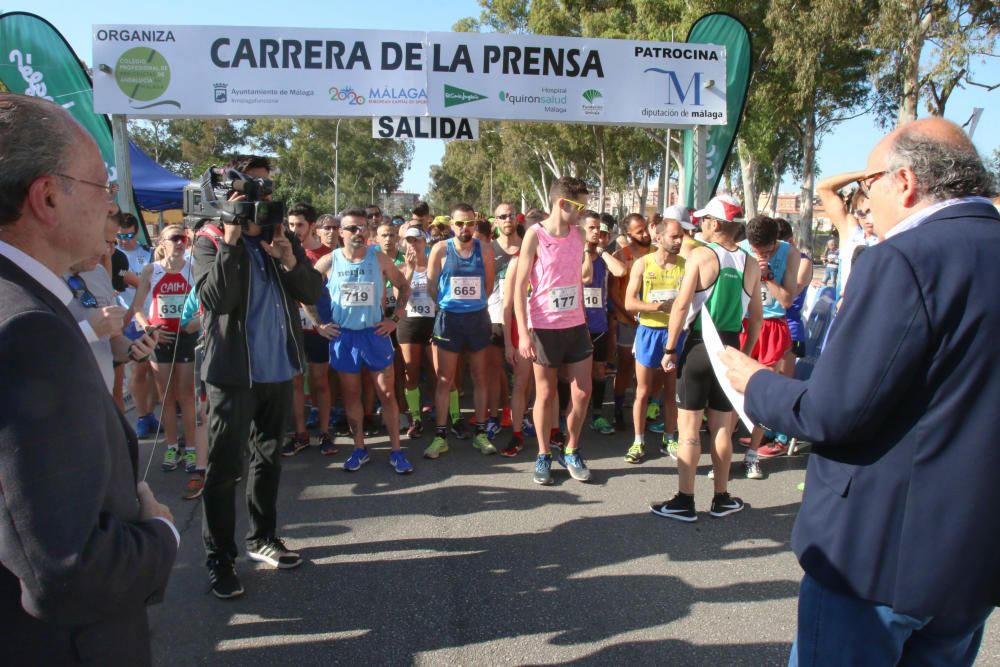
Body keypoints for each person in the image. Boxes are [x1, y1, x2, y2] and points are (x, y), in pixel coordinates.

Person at [720, 118, 1000, 667]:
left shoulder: (904, 257)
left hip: (880, 556)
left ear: (906, 181)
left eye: (867, 183)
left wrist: (757, 385)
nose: (864, 200)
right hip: (975, 558)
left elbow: (835, 414)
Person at [0, 93, 177, 666]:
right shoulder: (29, 331)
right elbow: (64, 568)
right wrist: (161, 536)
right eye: (103, 187)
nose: (113, 211)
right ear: (48, 196)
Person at [192, 155, 324, 599]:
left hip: (277, 369)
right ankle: (220, 557)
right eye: (250, 188)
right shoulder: (209, 239)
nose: (259, 196)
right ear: (230, 194)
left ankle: (262, 538)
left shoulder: (278, 238)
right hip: (231, 372)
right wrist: (231, 237)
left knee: (268, 460)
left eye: (264, 188)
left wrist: (289, 258)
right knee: (226, 468)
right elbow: (219, 300)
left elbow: (311, 293)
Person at [650, 195, 762, 522]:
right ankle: (721, 498)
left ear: (715, 223)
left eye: (704, 220)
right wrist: (746, 355)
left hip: (699, 346)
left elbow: (682, 306)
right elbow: (755, 319)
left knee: (688, 430)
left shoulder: (700, 255)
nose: (700, 225)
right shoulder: (750, 262)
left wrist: (670, 349)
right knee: (721, 428)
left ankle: (685, 502)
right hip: (730, 349)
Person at [313, 209, 413, 474]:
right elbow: (305, 291)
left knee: (388, 394)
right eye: (352, 229)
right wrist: (318, 324)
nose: (358, 233)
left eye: (362, 228)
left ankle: (396, 451)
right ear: (341, 232)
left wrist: (395, 318)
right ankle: (359, 449)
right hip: (344, 337)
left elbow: (404, 285)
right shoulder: (329, 261)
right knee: (351, 395)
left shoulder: (377, 257)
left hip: (375, 334)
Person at [514, 176, 595, 485]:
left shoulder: (579, 234)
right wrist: (523, 333)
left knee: (582, 392)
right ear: (563, 204)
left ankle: (571, 448)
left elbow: (580, 273)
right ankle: (544, 453)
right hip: (544, 326)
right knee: (545, 394)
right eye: (580, 207)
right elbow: (521, 286)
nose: (584, 214)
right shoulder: (534, 235)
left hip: (576, 324)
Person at [425, 204, 497, 458]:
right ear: (451, 225)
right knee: (445, 378)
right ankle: (440, 436)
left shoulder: (485, 249)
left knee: (479, 377)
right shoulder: (440, 249)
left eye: (469, 223)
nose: (464, 228)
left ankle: (480, 433)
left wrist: (473, 304)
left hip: (477, 318)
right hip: (449, 319)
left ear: (475, 225)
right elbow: (431, 284)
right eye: (459, 223)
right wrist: (447, 304)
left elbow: (488, 284)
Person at [737, 215, 801, 476]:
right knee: (732, 388)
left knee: (762, 389)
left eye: (764, 250)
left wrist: (767, 276)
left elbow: (786, 300)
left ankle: (753, 454)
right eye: (754, 249)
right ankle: (724, 456)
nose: (758, 253)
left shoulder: (790, 253)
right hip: (742, 321)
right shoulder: (740, 249)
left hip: (772, 324)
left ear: (775, 242)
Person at [623, 219, 685, 463]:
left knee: (671, 391)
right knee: (643, 391)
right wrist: (659, 307)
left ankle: (669, 438)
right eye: (674, 236)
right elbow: (629, 303)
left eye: (681, 236)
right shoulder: (643, 264)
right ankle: (638, 442)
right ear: (659, 238)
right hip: (649, 332)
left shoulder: (686, 266)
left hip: (674, 334)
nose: (679, 240)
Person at [284, 202, 335, 456]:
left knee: (320, 381)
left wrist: (322, 323)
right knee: (295, 381)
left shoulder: (328, 255)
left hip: (321, 328)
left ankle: (325, 432)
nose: (295, 230)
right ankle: (300, 434)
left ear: (312, 226)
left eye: (300, 225)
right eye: (291, 224)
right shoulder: (282, 252)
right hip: (293, 327)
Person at [581, 211, 626, 435]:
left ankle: (597, 414)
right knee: (571, 374)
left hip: (599, 323)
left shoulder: (603, 257)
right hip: (577, 324)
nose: (597, 233)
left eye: (601, 230)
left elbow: (620, 270)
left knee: (599, 371)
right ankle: (563, 418)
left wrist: (600, 251)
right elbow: (584, 278)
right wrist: (586, 252)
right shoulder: (575, 256)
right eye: (592, 229)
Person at [117, 211, 160, 438]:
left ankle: (150, 413)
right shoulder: (113, 255)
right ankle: (142, 417)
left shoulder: (148, 253)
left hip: (150, 317)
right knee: (137, 370)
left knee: (153, 371)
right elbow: (129, 282)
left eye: (129, 235)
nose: (124, 240)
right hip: (127, 320)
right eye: (120, 236)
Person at [608, 213, 652, 431]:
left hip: (653, 322)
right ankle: (617, 409)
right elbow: (613, 291)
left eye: (646, 228)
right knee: (625, 366)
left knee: (649, 368)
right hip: (629, 321)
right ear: (629, 235)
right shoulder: (620, 255)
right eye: (639, 231)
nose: (645, 234)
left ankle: (646, 407)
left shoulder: (657, 253)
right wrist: (629, 313)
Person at [396, 226, 436, 439]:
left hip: (433, 322)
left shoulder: (435, 266)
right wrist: (410, 271)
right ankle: (415, 418)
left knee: (439, 372)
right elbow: (398, 298)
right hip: (409, 324)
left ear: (424, 243)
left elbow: (439, 297)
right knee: (410, 373)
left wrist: (428, 274)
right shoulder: (402, 268)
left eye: (417, 241)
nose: (413, 245)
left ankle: (447, 415)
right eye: (409, 241)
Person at [486, 202, 522, 437]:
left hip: (523, 321)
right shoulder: (487, 249)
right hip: (492, 317)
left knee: (523, 376)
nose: (507, 219)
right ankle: (494, 415)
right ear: (495, 221)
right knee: (493, 371)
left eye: (511, 215)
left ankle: (522, 416)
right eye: (502, 216)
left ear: (517, 219)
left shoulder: (528, 247)